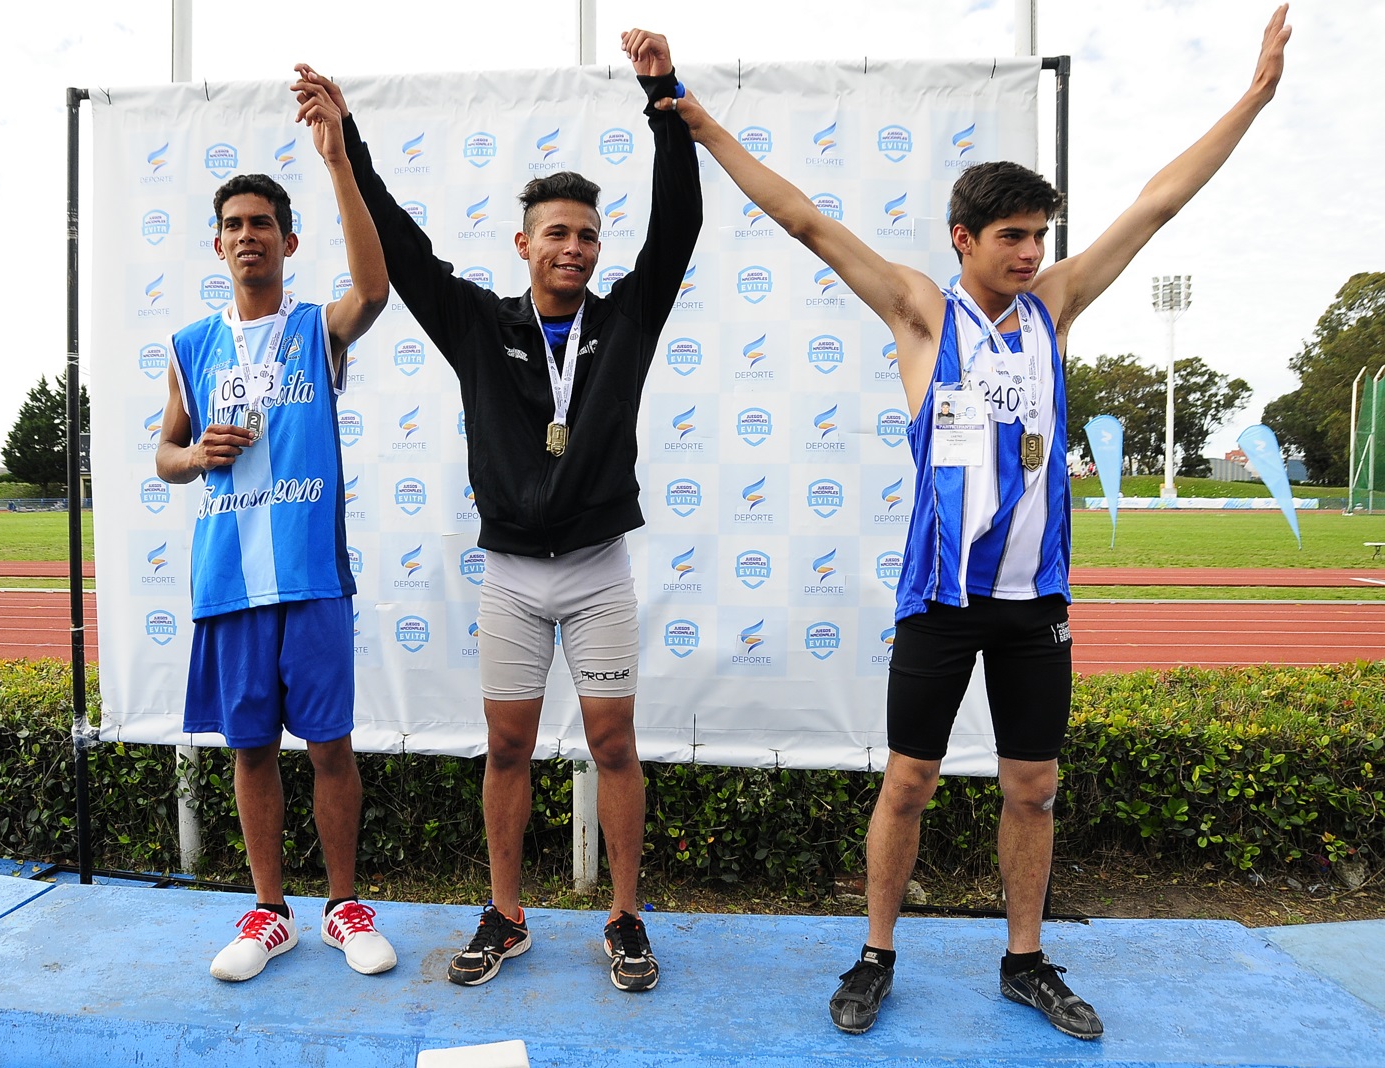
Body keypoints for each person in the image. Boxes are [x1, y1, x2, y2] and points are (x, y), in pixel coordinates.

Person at [662, 5, 1290, 1040]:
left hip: (1034, 600)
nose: (1035, 254)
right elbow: (805, 221)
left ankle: (1026, 960)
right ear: (964, 239)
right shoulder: (918, 311)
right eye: (1014, 238)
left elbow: (1157, 206)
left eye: (1041, 236)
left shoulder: (1059, 307)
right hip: (942, 599)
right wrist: (704, 124)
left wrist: (1253, 99)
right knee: (907, 781)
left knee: (1033, 788)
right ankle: (876, 954)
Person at [292, 27, 700, 993]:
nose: (574, 246)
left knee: (613, 746)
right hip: (512, 576)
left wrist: (663, 100)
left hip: (599, 568)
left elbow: (678, 225)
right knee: (508, 746)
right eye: (556, 232)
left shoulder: (625, 319)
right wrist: (349, 146)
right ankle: (507, 914)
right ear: (524, 245)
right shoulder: (480, 322)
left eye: (587, 234)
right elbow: (404, 249)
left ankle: (626, 916)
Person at [155, 79, 396, 984]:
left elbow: (372, 288)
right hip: (228, 577)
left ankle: (343, 906)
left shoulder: (313, 329)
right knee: (251, 749)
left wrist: (337, 160)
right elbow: (162, 456)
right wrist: (196, 456)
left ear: (289, 242)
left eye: (264, 222)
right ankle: (269, 911)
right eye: (235, 223)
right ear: (218, 243)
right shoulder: (189, 345)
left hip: (310, 573)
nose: (248, 233)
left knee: (329, 745)